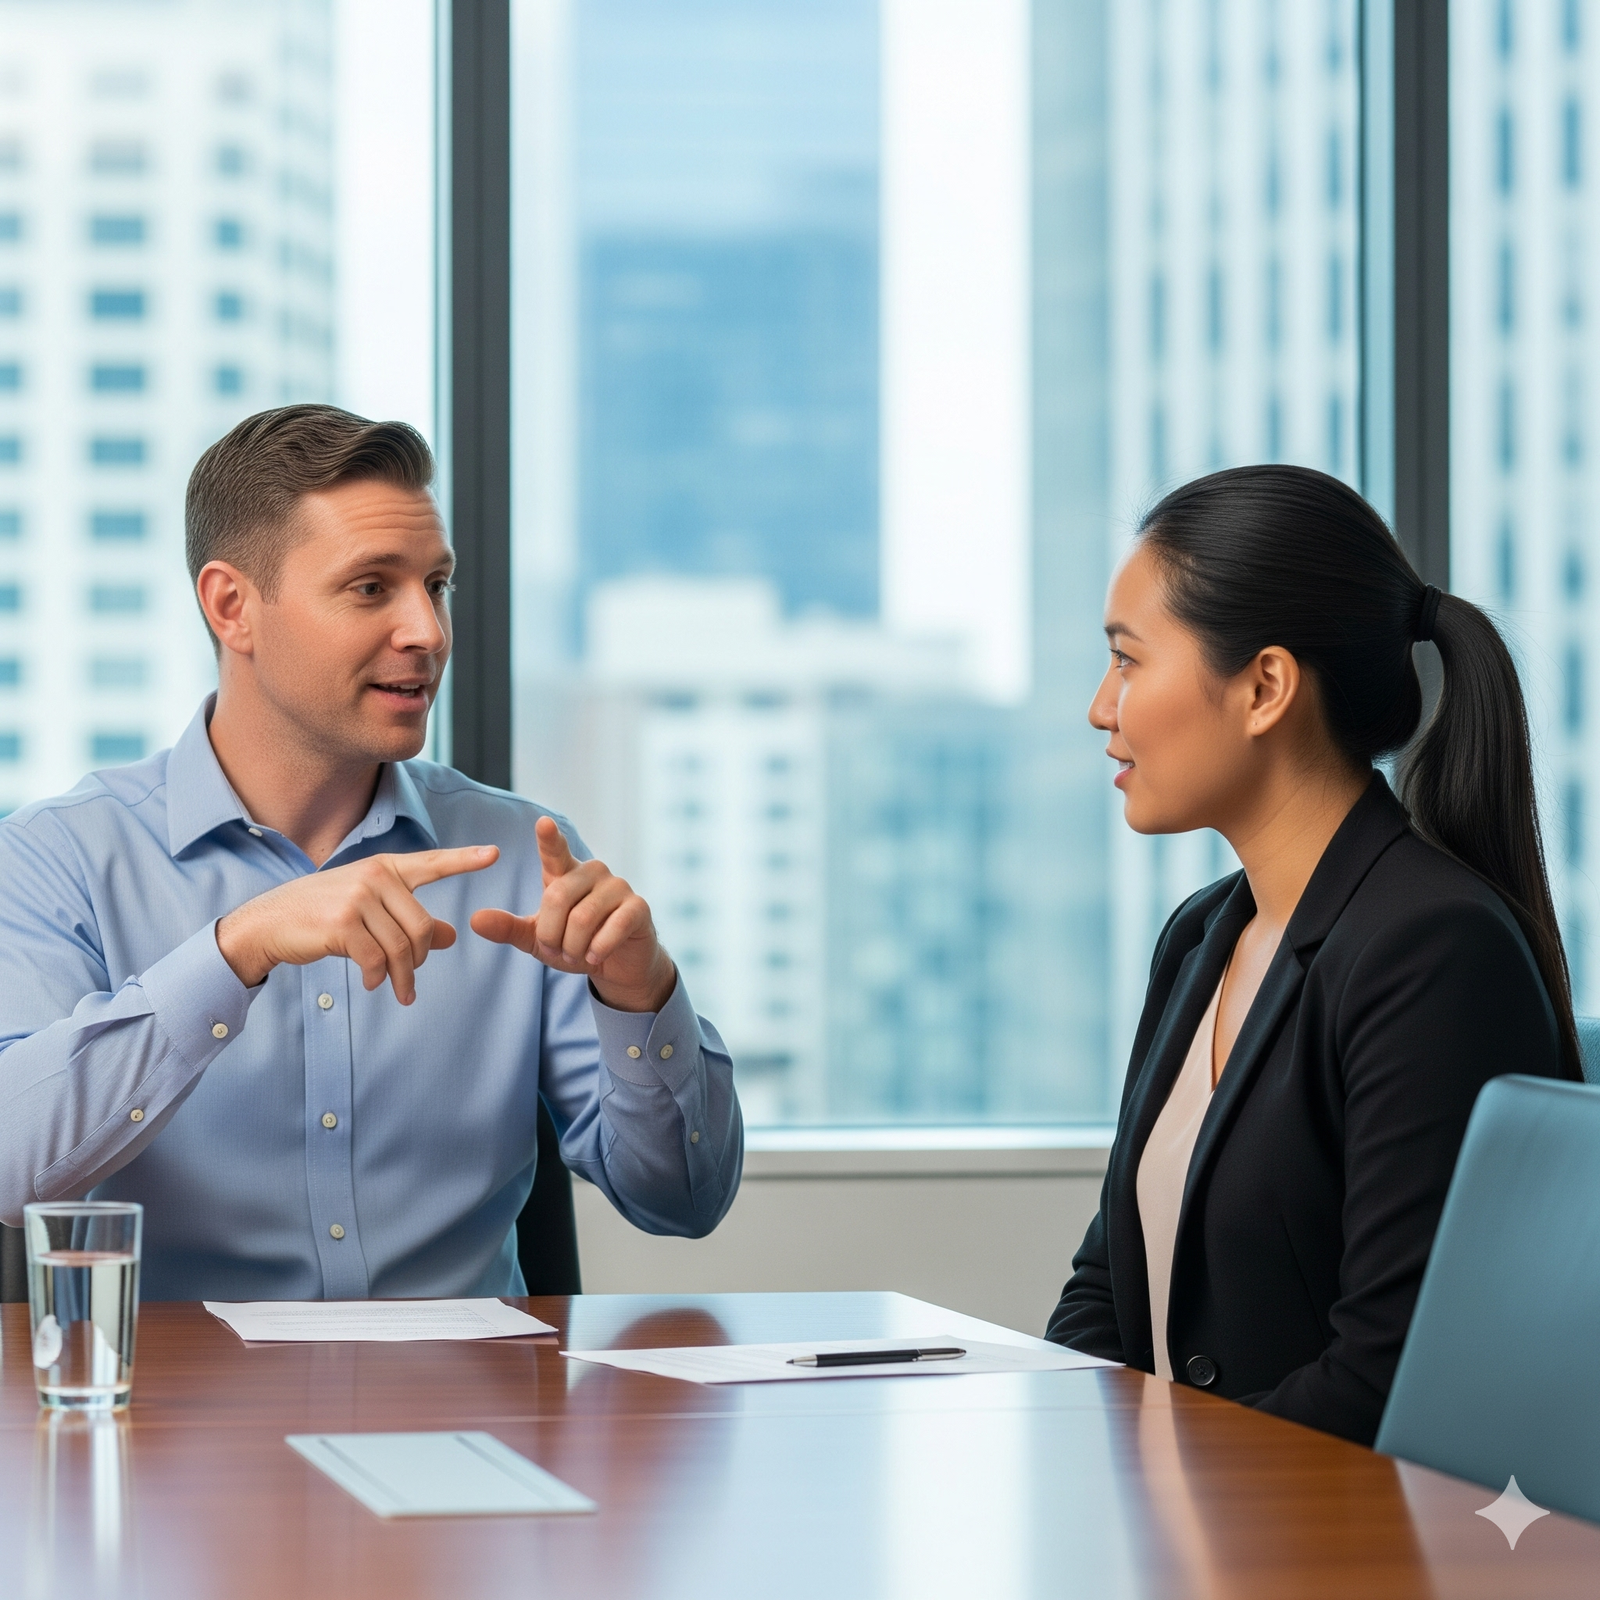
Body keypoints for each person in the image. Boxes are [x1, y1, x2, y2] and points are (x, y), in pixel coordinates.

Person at [0, 404, 742, 1300]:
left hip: (473, 1418)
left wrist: (640, 994)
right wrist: (237, 949)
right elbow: (13, 1169)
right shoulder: (58, 858)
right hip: (177, 1422)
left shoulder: (518, 854)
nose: (428, 632)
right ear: (233, 607)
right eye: (370, 588)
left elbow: (685, 1200)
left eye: (437, 585)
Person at [1046, 464, 1578, 1446]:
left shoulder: (1431, 950)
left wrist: (1166, 1490)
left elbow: (1388, 1371)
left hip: (1339, 1546)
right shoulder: (1201, 937)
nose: (1099, 707)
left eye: (1127, 661)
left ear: (1263, 687)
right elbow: (1105, 1289)